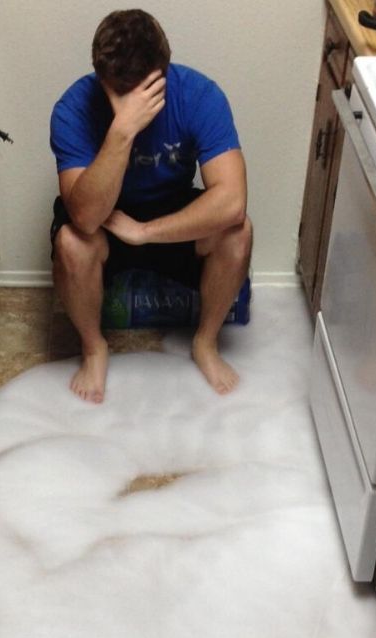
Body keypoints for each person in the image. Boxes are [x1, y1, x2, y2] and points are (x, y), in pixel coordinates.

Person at [49, 8, 253, 403]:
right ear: (100, 77)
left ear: (164, 71)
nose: (130, 100)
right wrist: (123, 129)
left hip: (167, 212)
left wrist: (145, 232)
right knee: (71, 243)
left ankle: (205, 343)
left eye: (141, 90)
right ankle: (95, 348)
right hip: (104, 217)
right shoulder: (72, 108)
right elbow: (86, 217)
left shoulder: (198, 95)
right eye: (117, 91)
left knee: (237, 234)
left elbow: (231, 202)